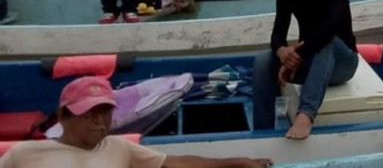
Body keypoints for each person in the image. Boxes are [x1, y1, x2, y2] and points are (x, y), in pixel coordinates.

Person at [0, 76, 272, 168]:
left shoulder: (119, 148)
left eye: (105, 112)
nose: (99, 122)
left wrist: (236, 162)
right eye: (89, 113)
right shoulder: (23, 155)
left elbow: (176, 164)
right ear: (63, 116)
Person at [253, 0, 358, 139]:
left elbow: (326, 33)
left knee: (327, 43)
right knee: (262, 61)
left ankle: (306, 115)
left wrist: (293, 58)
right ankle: (262, 131)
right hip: (309, 60)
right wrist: (282, 53)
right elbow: (277, 35)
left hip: (343, 64)